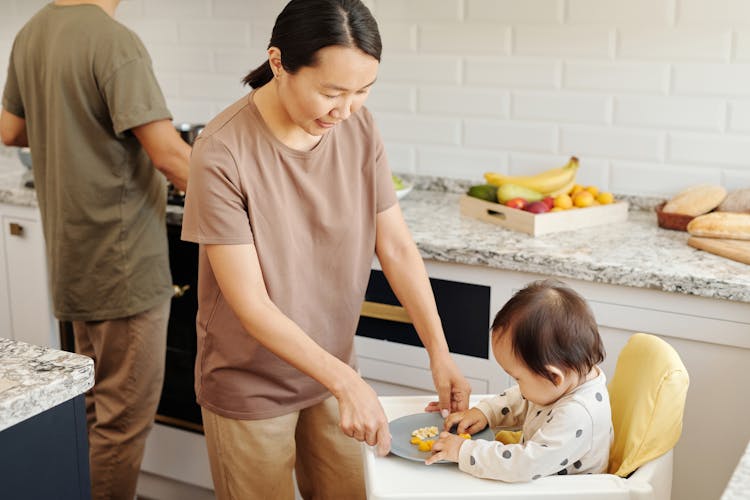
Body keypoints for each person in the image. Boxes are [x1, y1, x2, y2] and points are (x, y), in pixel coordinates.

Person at [180, 0, 471, 498]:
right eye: (331, 92)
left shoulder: (358, 127)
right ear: (278, 63)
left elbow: (396, 247)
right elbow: (250, 304)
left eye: (362, 91)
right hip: (252, 382)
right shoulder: (222, 151)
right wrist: (348, 383)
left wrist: (439, 352)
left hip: (332, 369)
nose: (346, 109)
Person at [0, 1, 191, 498]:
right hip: (122, 261)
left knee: (91, 407)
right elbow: (170, 155)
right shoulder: (114, 40)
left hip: (73, 256)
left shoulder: (33, 32)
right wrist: (254, 193)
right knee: (121, 423)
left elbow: (10, 130)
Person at [426, 279, 613, 482]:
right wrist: (486, 412)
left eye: (518, 378)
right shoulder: (563, 382)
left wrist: (464, 451)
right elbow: (524, 400)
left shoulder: (577, 413)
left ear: (554, 376)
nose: (518, 388)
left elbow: (524, 465)